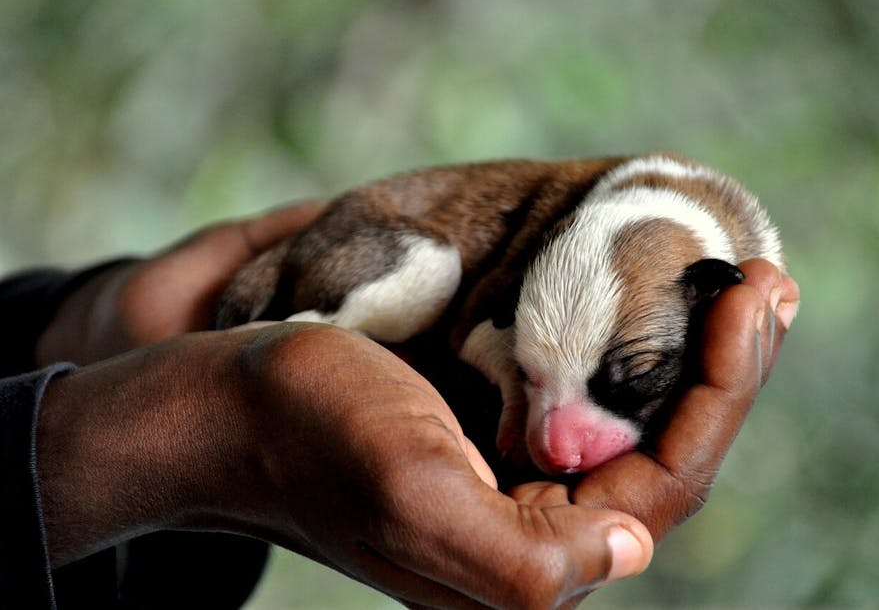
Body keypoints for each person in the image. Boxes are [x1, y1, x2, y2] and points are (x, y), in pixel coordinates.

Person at [0, 201, 799, 609]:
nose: (555, 444)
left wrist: (68, 322)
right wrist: (167, 433)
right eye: (532, 378)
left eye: (622, 380)